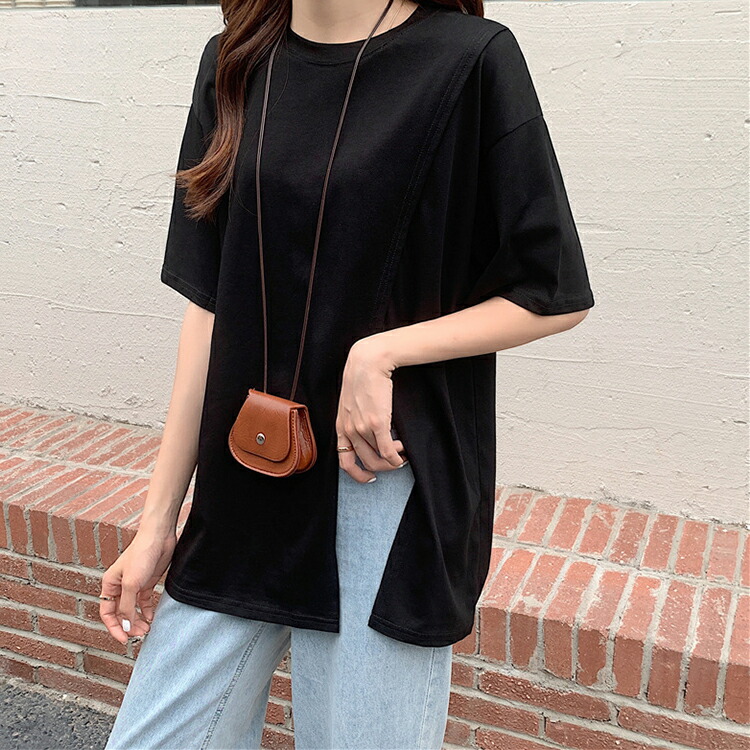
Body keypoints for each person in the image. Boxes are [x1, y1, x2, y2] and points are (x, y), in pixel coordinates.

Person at [101, 0, 595, 747]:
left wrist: (382, 351)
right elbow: (208, 311)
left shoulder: (469, 59)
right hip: (243, 485)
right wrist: (157, 523)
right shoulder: (235, 61)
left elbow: (551, 290)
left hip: (377, 480)